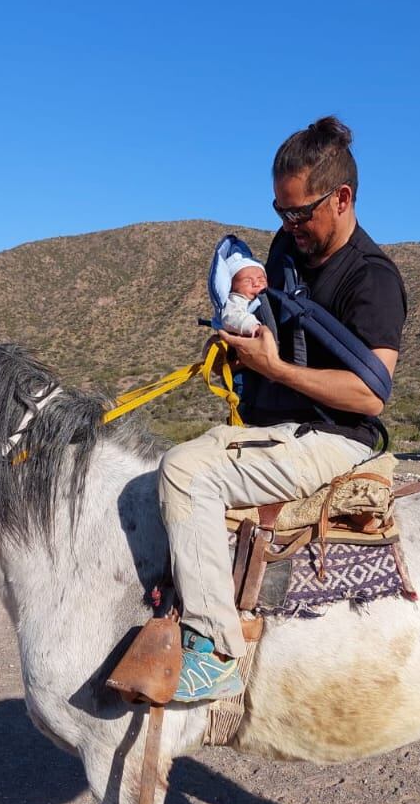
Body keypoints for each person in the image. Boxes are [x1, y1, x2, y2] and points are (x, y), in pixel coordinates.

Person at [158, 116, 407, 702]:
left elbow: (371, 394)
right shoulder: (285, 256)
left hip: (332, 437)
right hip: (274, 426)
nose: (288, 225)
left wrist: (277, 370)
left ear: (342, 198)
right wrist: (243, 357)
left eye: (300, 212)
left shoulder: (373, 280)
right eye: (279, 212)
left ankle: (216, 649)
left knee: (185, 476)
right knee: (165, 459)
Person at [220, 254, 267, 336]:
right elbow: (229, 317)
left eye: (261, 280)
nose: (256, 283)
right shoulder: (237, 299)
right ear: (232, 287)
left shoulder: (270, 295)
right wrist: (251, 325)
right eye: (247, 281)